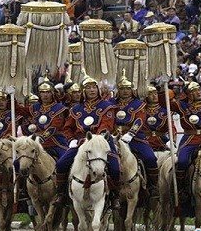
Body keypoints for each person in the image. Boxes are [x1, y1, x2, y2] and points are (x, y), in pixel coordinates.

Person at [54, 72, 121, 209]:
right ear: (83, 91)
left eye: (94, 87)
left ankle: (114, 195)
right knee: (61, 164)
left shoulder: (106, 106)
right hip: (80, 143)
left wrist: (94, 140)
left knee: (114, 167)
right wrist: (71, 139)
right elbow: (67, 128)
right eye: (88, 88)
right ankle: (61, 193)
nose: (91, 90)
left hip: (102, 143)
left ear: (98, 89)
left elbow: (106, 127)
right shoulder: (76, 109)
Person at [112, 71, 159, 195]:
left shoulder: (139, 104)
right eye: (122, 89)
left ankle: (153, 185)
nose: (125, 91)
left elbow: (139, 120)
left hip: (135, 137)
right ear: (118, 90)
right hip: (114, 137)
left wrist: (131, 133)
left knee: (150, 158)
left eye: (128, 88)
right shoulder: (112, 103)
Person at [20, 76, 68, 160]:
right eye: (42, 92)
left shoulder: (59, 108)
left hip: (55, 142)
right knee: (18, 162)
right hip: (35, 141)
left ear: (53, 93)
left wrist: (42, 137)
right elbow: (21, 111)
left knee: (64, 162)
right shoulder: (35, 107)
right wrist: (11, 99)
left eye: (48, 92)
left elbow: (55, 127)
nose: (45, 95)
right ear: (39, 94)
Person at [142, 86, 172, 151]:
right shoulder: (141, 110)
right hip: (144, 140)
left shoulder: (165, 111)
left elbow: (171, 128)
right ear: (146, 96)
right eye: (150, 94)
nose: (154, 96)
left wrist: (172, 140)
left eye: (155, 93)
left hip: (162, 140)